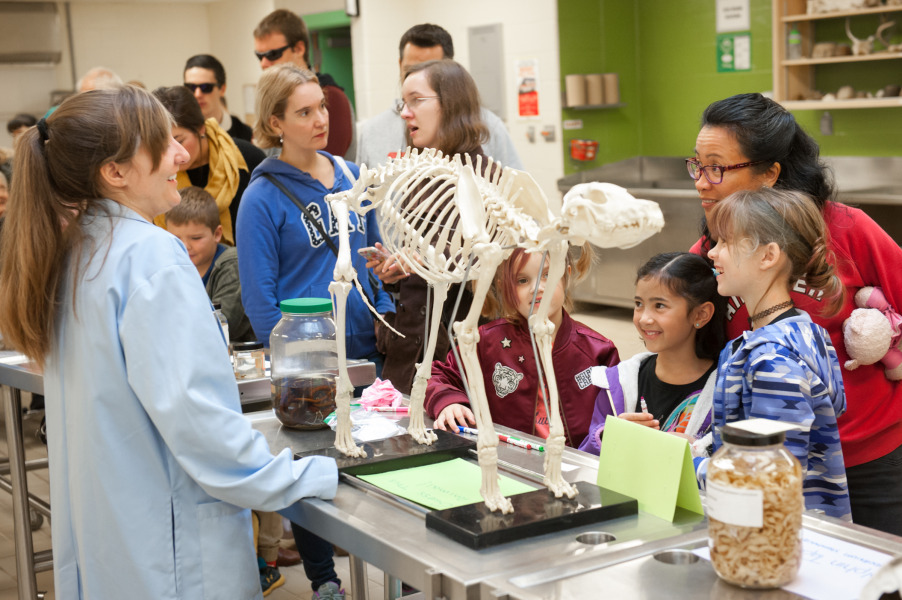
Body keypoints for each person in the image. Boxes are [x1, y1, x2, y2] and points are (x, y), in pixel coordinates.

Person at [0, 85, 338, 599]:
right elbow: (204, 433)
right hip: (172, 557)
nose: (181, 154)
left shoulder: (78, 249)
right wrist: (314, 474)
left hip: (118, 541)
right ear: (115, 172)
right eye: (162, 143)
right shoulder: (150, 257)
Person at [688, 92, 902, 535]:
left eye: (717, 167)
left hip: (872, 457)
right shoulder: (713, 255)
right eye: (697, 165)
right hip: (769, 462)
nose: (701, 182)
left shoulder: (846, 230)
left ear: (770, 174)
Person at [238, 64, 390, 600]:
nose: (320, 119)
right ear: (275, 122)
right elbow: (259, 293)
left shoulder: (351, 175)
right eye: (303, 112)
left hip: (367, 349)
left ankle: (388, 571)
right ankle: (325, 581)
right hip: (308, 357)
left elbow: (373, 254)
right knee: (311, 467)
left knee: (371, 460)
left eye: (321, 107)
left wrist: (386, 297)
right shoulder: (261, 197)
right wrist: (290, 365)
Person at [703, 187, 851, 521]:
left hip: (775, 546)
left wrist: (680, 466)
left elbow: (769, 485)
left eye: (725, 242)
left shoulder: (772, 360)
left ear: (768, 256)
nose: (713, 253)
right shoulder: (804, 331)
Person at [365, 58, 506, 395]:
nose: (404, 113)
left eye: (416, 100)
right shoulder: (422, 176)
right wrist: (396, 276)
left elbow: (492, 280)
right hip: (410, 355)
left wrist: (427, 262)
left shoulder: (487, 182)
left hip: (461, 364)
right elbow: (419, 278)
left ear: (451, 104)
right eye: (404, 102)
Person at [425, 246, 618, 446]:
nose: (537, 288)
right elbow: (438, 376)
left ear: (565, 275)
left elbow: (615, 416)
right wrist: (448, 402)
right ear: (504, 287)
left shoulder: (599, 351)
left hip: (574, 464)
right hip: (509, 459)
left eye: (547, 275)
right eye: (522, 280)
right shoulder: (486, 342)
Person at [579, 252, 725, 456]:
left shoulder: (726, 391)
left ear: (701, 314)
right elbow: (586, 457)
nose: (644, 318)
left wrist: (698, 449)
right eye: (639, 304)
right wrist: (609, 436)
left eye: (660, 306)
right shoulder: (616, 383)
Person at [356, 23, 523, 170]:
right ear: (400, 64)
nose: (415, 77)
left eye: (429, 69)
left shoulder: (489, 126)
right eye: (410, 70)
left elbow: (518, 194)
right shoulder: (372, 132)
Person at [152, 85, 264, 245]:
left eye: (179, 140)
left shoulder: (247, 159)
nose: (172, 154)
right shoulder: (153, 175)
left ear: (201, 128)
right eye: (160, 145)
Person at [253, 8, 355, 158]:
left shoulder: (331, 96)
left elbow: (323, 169)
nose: (264, 63)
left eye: (272, 54)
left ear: (299, 49)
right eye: (259, 56)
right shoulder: (274, 99)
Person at [166, 186, 255, 343]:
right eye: (176, 239)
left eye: (196, 238)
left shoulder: (231, 265)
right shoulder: (169, 266)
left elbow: (224, 325)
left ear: (217, 234)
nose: (185, 246)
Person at [184, 54, 254, 142]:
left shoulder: (243, 133)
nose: (197, 94)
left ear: (222, 89)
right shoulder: (179, 131)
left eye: (205, 87)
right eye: (191, 87)